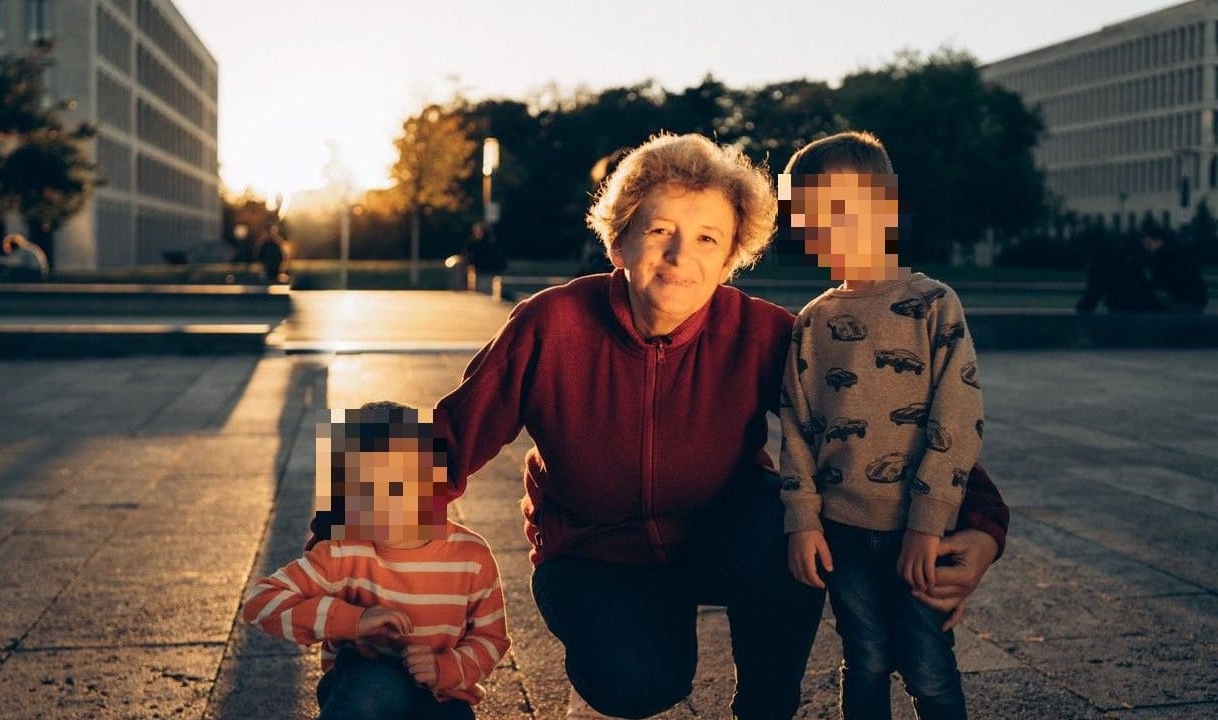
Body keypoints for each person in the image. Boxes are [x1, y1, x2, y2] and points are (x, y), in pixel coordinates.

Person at [307, 133, 1009, 720]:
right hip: (593, 553)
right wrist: (347, 555)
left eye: (708, 238)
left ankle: (766, 708)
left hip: (722, 536)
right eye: (660, 231)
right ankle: (643, 633)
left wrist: (978, 522)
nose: (681, 257)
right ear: (621, 241)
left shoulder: (766, 334)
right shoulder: (553, 325)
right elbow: (448, 440)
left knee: (784, 519)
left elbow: (881, 425)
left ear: (733, 256)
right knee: (638, 683)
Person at [779, 131, 979, 719]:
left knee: (929, 666)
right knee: (863, 658)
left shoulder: (934, 304)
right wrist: (801, 520)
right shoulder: (813, 322)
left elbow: (958, 416)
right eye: (812, 221)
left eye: (841, 212)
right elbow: (796, 424)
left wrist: (928, 522)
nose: (827, 233)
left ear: (885, 206)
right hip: (842, 530)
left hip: (918, 531)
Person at [248, 402, 510, 720]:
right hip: (362, 686)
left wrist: (445, 668)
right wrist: (353, 620)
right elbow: (260, 603)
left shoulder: (473, 557)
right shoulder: (341, 551)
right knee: (377, 685)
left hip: (441, 695)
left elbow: (491, 638)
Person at [1142, 224, 1209, 312]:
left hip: (1182, 302)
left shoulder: (1160, 255)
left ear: (1158, 241)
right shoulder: (1179, 250)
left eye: (1148, 243)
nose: (1147, 248)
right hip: (1198, 300)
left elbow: (1159, 286)